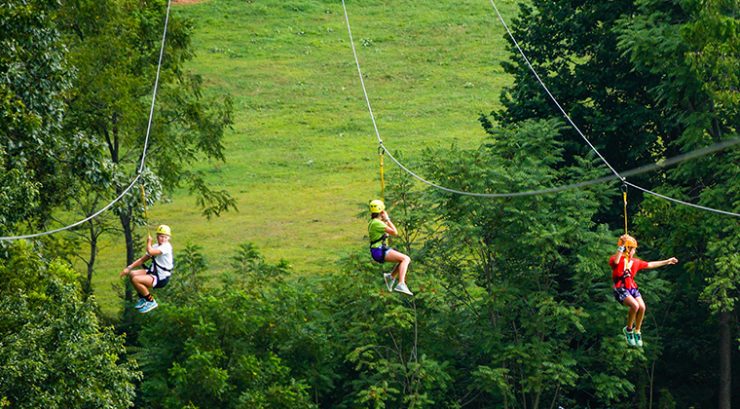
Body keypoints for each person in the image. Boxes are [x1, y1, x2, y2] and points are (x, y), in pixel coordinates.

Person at [610, 234, 677, 347]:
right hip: (621, 288)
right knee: (635, 306)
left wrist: (667, 261)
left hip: (632, 287)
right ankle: (629, 330)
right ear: (628, 249)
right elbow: (616, 261)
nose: (634, 251)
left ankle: (637, 331)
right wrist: (621, 245)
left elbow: (650, 264)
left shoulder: (635, 262)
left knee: (642, 307)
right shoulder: (617, 259)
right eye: (633, 249)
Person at [120, 224, 174, 313]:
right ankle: (143, 298)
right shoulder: (156, 246)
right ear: (157, 237)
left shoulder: (166, 247)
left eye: (165, 237)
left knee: (136, 279)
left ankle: (150, 301)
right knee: (132, 274)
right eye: (161, 236)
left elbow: (151, 251)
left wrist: (149, 242)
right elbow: (142, 260)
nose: (163, 239)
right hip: (154, 272)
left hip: (161, 277)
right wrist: (129, 268)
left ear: (168, 238)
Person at [368, 199, 413, 295]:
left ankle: (391, 277)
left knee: (402, 260)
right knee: (406, 259)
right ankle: (401, 283)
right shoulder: (377, 223)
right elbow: (395, 232)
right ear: (381, 211)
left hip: (378, 250)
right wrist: (387, 219)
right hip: (379, 250)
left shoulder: (373, 222)